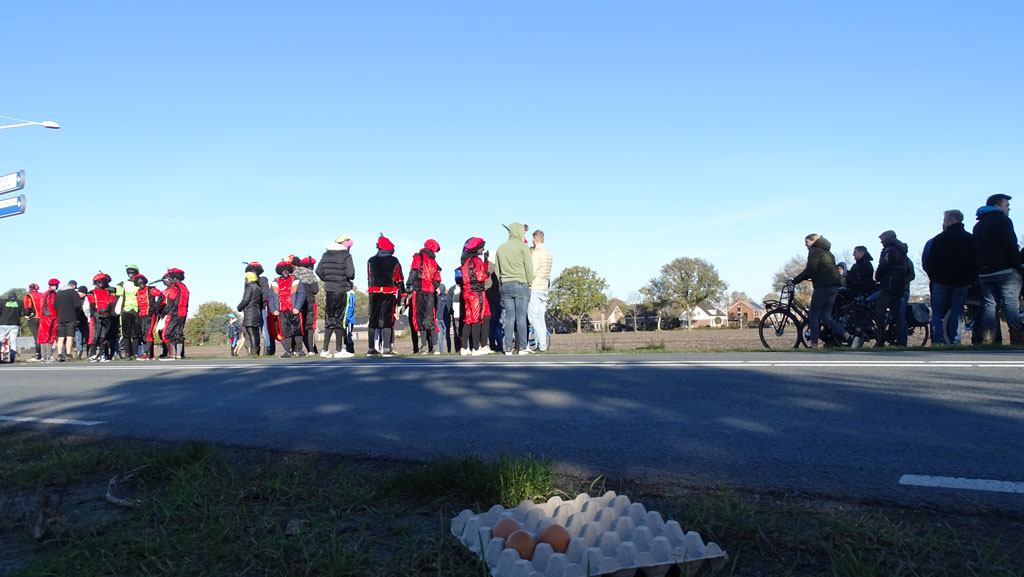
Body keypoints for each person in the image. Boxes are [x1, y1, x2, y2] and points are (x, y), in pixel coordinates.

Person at [972, 193, 1023, 344]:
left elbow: (975, 250)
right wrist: (1018, 264)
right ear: (996, 206)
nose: (1008, 209)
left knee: (989, 304)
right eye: (1006, 205)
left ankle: (988, 337)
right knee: (1011, 303)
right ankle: (1017, 336)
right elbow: (1010, 244)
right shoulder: (1003, 221)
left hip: (985, 272)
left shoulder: (978, 225)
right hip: (1005, 270)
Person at [791, 234, 856, 349]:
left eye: (807, 242)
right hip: (833, 286)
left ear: (814, 241)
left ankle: (814, 345)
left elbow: (811, 268)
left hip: (822, 286)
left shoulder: (815, 251)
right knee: (826, 317)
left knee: (813, 315)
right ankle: (848, 337)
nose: (805, 245)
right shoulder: (828, 252)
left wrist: (795, 280)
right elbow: (823, 269)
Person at [923, 210, 976, 345]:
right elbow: (975, 261)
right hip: (961, 281)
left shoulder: (938, 239)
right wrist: (970, 278)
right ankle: (955, 339)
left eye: (945, 220)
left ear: (951, 220)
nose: (944, 222)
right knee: (956, 312)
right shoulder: (969, 239)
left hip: (940, 281)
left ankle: (937, 340)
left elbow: (929, 261)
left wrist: (934, 277)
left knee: (937, 313)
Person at [495, 222, 534, 355]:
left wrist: (502, 283)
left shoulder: (501, 248)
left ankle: (508, 348)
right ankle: (522, 347)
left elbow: (497, 270)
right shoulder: (523, 246)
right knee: (521, 317)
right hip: (521, 283)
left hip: (505, 285)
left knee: (509, 318)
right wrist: (530, 281)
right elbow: (528, 266)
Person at [316, 234, 356, 358]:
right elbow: (351, 273)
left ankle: (324, 349)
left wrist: (327, 279)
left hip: (329, 289)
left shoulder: (325, 254)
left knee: (329, 319)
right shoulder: (346, 255)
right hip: (341, 289)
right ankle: (339, 350)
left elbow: (318, 271)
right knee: (339, 319)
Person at [366, 235, 405, 357]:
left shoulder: (371, 260)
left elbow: (369, 277)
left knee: (373, 320)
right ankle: (387, 348)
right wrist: (402, 294)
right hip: (389, 292)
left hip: (374, 292)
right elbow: (399, 279)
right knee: (387, 320)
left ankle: (371, 348)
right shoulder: (394, 261)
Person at [875, 230, 914, 347]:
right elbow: (909, 273)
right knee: (899, 316)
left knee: (878, 314)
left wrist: (878, 277)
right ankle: (902, 342)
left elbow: (883, 265)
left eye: (882, 239)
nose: (881, 242)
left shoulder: (888, 250)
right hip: (899, 288)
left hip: (888, 286)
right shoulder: (903, 253)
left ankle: (880, 340)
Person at [407, 239, 442, 354]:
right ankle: (435, 346)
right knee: (431, 317)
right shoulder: (434, 261)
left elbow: (414, 271)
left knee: (420, 317)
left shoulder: (418, 256)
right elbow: (438, 278)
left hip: (419, 290)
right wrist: (433, 285)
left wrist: (409, 285)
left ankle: (424, 346)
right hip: (430, 291)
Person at [460, 237, 492, 356]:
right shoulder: (475, 260)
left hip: (467, 292)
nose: (483, 249)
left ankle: (464, 348)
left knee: (468, 319)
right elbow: (479, 276)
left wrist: (485, 262)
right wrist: (487, 274)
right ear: (477, 248)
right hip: (476, 292)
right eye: (482, 247)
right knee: (477, 318)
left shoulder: (465, 261)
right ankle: (476, 348)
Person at [270, 260, 307, 358]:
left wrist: (297, 307)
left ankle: (300, 351)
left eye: (287, 271)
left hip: (294, 309)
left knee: (297, 330)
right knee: (285, 331)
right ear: (280, 272)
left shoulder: (295, 280)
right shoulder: (275, 282)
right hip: (281, 310)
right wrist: (273, 309)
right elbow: (271, 297)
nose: (285, 273)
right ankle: (288, 351)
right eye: (283, 271)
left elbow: (301, 294)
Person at [528, 229, 553, 352]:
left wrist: (528, 283)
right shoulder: (548, 253)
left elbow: (532, 271)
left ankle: (542, 344)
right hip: (544, 288)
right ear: (543, 239)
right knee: (540, 317)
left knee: (533, 317)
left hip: (535, 287)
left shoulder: (536, 253)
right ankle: (543, 343)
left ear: (534, 239)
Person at [159, 268, 190, 360]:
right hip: (183, 313)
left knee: (167, 334)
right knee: (179, 334)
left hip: (174, 313)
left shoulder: (175, 288)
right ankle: (179, 354)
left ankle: (171, 354)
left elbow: (171, 302)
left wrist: (163, 312)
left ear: (174, 277)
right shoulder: (184, 287)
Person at [245, 261, 274, 356]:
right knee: (255, 330)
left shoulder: (263, 280)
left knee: (264, 330)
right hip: (253, 309)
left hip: (261, 308)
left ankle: (267, 351)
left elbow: (265, 294)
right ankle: (256, 351)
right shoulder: (248, 283)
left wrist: (258, 302)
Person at [293, 255, 320, 355]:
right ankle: (312, 350)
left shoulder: (294, 274)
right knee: (310, 327)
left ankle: (298, 350)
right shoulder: (310, 274)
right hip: (310, 302)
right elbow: (315, 290)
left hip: (297, 304)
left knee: (300, 327)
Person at [115, 265, 143, 360]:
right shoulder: (122, 284)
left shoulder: (140, 283)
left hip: (137, 310)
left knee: (136, 333)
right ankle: (127, 353)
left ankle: (135, 353)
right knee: (126, 333)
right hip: (126, 310)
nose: (130, 274)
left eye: (132, 272)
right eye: (129, 272)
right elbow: (118, 297)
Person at [87, 272, 116, 362]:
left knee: (104, 336)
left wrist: (107, 310)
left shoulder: (109, 292)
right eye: (98, 282)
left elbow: (112, 303)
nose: (100, 284)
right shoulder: (91, 293)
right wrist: (98, 312)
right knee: (94, 336)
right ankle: (92, 354)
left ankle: (102, 354)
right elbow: (92, 305)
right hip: (96, 316)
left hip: (107, 316)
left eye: (102, 282)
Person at [133, 274, 161, 360]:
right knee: (145, 334)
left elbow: (161, 295)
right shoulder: (137, 292)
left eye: (142, 283)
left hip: (150, 314)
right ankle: (151, 355)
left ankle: (146, 353)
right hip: (142, 315)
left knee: (148, 333)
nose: (141, 284)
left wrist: (156, 305)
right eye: (139, 283)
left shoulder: (151, 289)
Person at [54, 280, 83, 362]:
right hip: (71, 317)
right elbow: (78, 305)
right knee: (69, 336)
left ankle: (59, 354)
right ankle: (68, 354)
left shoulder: (58, 293)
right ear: (73, 286)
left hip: (60, 318)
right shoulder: (73, 293)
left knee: (61, 337)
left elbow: (55, 306)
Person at [237, 272, 264, 357]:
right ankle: (257, 352)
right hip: (256, 311)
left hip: (250, 312)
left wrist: (239, 307)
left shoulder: (249, 287)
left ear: (248, 279)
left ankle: (253, 353)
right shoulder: (258, 287)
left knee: (251, 333)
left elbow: (246, 300)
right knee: (256, 333)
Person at [36, 279, 59, 362]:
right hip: (50, 317)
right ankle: (49, 356)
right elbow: (52, 305)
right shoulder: (52, 293)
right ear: (56, 285)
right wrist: (55, 315)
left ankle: (43, 356)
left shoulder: (44, 293)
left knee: (43, 337)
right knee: (50, 337)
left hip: (43, 317)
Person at [0, 290, 23, 363]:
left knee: (0, 340)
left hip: (3, 323)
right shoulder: (19, 302)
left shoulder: (2, 302)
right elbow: (22, 313)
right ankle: (12, 357)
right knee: (13, 341)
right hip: (15, 324)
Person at [23, 283, 43, 361]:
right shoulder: (42, 295)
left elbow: (27, 307)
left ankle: (38, 354)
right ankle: (45, 354)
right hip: (43, 318)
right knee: (43, 337)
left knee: (36, 337)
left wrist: (27, 315)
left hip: (33, 318)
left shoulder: (28, 296)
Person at [436, 281, 450, 354]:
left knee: (447, 336)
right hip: (438, 319)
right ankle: (441, 352)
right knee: (439, 337)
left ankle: (449, 351)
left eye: (438, 289)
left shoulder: (446, 297)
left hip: (445, 319)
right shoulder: (436, 298)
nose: (437, 290)